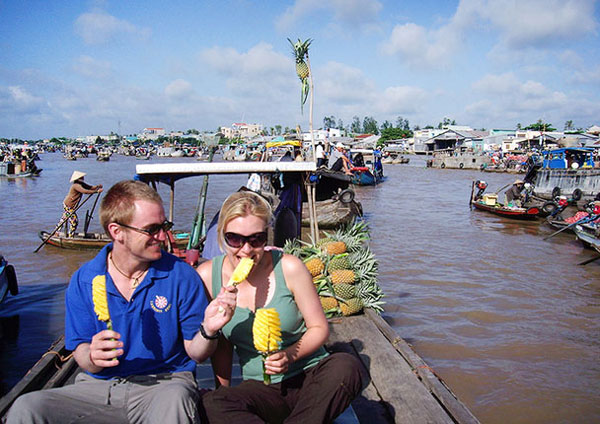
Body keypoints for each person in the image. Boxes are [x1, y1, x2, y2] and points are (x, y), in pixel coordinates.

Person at [5, 180, 238, 424]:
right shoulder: (84, 280)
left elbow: (197, 353)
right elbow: (81, 350)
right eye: (152, 229)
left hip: (165, 385)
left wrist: (209, 330)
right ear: (117, 232)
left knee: (175, 402)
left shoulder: (181, 276)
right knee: (27, 407)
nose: (163, 236)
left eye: (164, 225)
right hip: (97, 388)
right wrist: (92, 356)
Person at [197, 191, 362, 423]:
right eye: (235, 239)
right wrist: (221, 392)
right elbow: (221, 347)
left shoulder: (289, 268)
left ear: (267, 235)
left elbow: (319, 328)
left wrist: (289, 356)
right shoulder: (207, 277)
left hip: (310, 377)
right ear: (222, 234)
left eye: (256, 239)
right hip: (261, 387)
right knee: (211, 403)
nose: (246, 250)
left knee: (347, 366)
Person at [57, 171, 103, 238]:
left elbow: (90, 187)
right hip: (69, 205)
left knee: (64, 219)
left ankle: (57, 232)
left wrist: (97, 186)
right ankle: (70, 236)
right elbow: (85, 191)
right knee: (74, 221)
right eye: (81, 177)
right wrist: (96, 191)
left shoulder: (81, 184)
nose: (83, 178)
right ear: (78, 178)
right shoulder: (76, 186)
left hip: (70, 205)